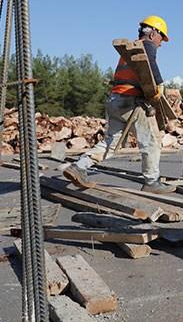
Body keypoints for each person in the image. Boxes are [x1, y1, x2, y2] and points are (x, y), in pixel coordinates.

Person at [63, 15, 176, 194]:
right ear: (153, 33)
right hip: (132, 102)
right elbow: (151, 63)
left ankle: (80, 166)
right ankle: (152, 182)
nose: (160, 43)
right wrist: (160, 84)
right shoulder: (146, 46)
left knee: (111, 143)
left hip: (116, 100)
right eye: (161, 37)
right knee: (152, 141)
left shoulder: (129, 51)